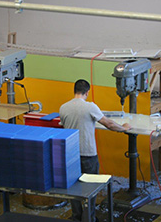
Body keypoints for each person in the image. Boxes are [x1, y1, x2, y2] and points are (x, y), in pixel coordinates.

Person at [59, 79, 131, 222]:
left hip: (70, 155)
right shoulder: (90, 107)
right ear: (87, 92)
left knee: (73, 189)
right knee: (90, 190)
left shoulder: (63, 107)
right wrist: (123, 128)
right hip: (88, 154)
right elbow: (108, 123)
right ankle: (89, 218)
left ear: (74, 91)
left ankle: (76, 217)